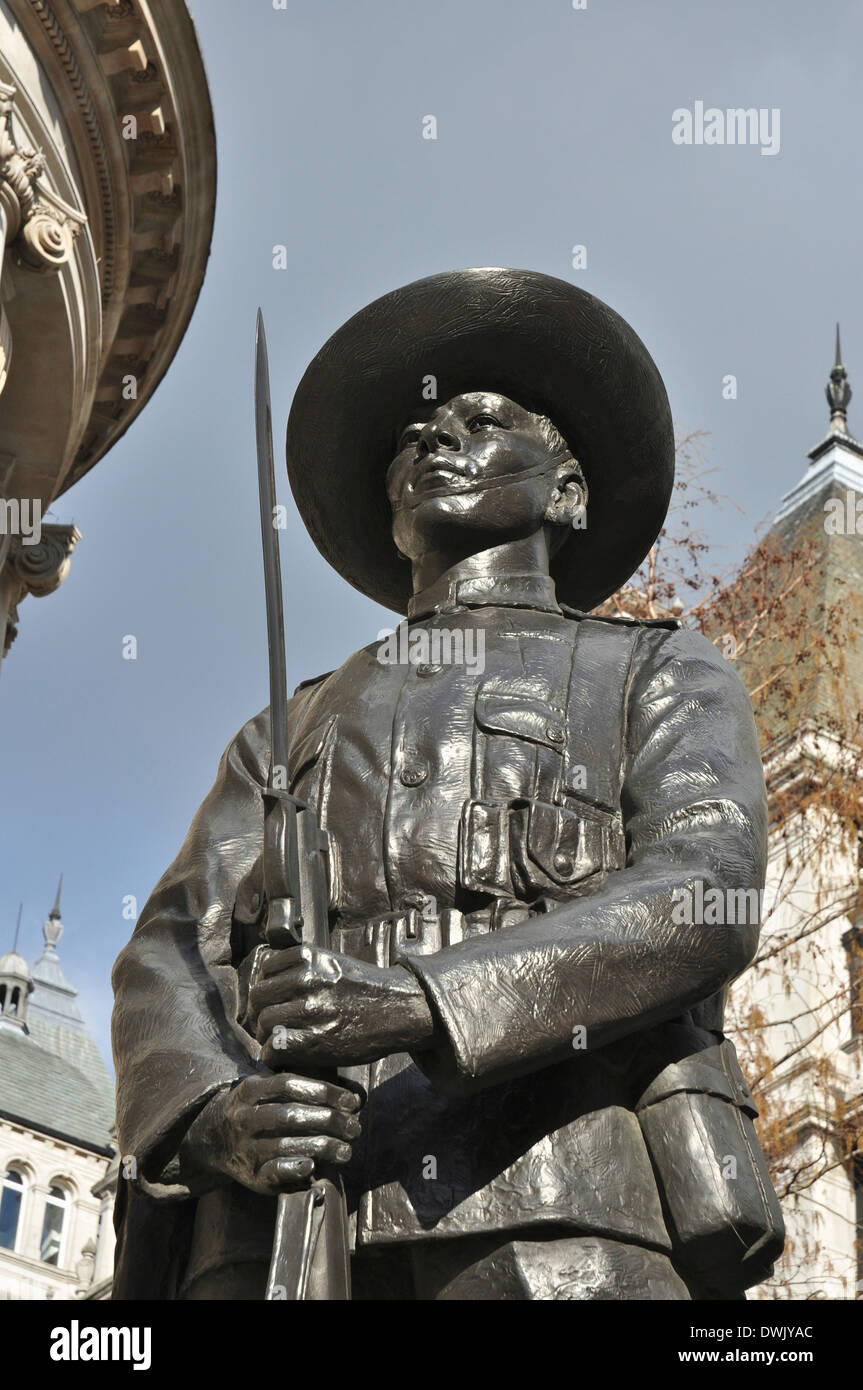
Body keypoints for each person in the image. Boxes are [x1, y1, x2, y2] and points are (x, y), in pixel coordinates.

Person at [112, 268, 783, 1300]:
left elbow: (703, 891)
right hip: (277, 1228)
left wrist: (421, 1000)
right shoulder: (282, 729)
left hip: (563, 1207)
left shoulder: (656, 671)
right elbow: (168, 952)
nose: (433, 438)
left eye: (482, 420)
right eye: (411, 436)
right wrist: (210, 1114)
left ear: (565, 491)